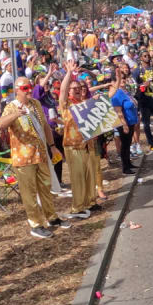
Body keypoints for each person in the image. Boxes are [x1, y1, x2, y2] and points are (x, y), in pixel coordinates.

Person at [0, 76, 66, 238]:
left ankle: (51, 217)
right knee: (29, 192)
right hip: (24, 159)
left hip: (41, 154)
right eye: (24, 88)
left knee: (45, 188)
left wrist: (52, 146)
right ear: (16, 90)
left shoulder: (35, 104)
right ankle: (35, 223)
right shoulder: (11, 107)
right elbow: (1, 124)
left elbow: (45, 127)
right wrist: (15, 115)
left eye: (29, 87)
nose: (28, 90)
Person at [58, 59, 98, 218]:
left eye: (77, 88)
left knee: (88, 176)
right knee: (78, 177)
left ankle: (88, 202)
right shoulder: (65, 104)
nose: (75, 90)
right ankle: (77, 208)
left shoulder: (84, 102)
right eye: (72, 89)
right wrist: (69, 73)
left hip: (86, 145)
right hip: (72, 146)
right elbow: (62, 90)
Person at [109, 68, 140, 174]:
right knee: (125, 145)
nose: (123, 80)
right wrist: (125, 125)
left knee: (128, 144)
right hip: (124, 123)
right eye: (121, 78)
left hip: (131, 121)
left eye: (124, 78)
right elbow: (119, 112)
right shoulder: (116, 94)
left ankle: (128, 163)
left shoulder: (126, 91)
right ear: (114, 81)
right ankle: (125, 168)